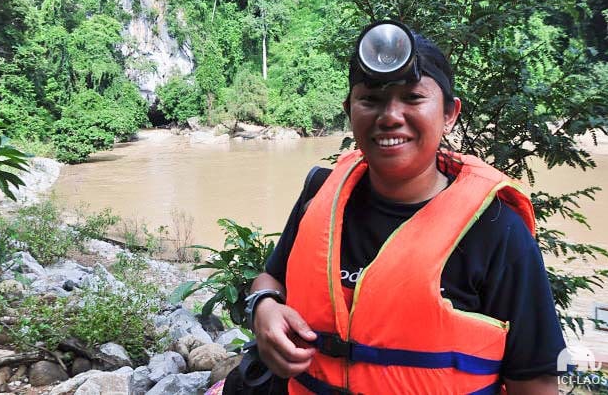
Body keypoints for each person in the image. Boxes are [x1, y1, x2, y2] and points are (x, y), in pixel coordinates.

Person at [242, 21, 565, 395]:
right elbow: (271, 278)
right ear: (349, 110)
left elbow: (536, 380)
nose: (390, 116)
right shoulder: (321, 195)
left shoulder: (495, 229)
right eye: (371, 99)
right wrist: (262, 308)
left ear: (449, 113)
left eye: (412, 98)